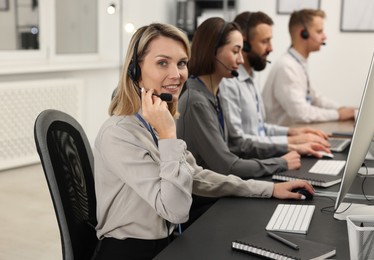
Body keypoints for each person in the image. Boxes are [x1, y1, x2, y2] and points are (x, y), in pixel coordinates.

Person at [93, 23, 315, 260]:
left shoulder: (152, 123)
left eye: (181, 63)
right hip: (130, 251)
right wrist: (169, 135)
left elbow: (195, 175)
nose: (176, 74)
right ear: (135, 71)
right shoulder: (119, 134)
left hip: (163, 244)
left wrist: (268, 189)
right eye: (162, 63)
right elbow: (175, 210)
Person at [219, 11, 330, 149]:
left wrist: (293, 133)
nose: (271, 48)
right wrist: (291, 144)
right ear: (244, 44)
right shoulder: (229, 83)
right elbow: (238, 142)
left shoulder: (250, 78)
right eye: (265, 41)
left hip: (259, 156)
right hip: (249, 163)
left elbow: (259, 129)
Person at [262, 9, 355, 126]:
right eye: (319, 31)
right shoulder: (286, 67)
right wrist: (338, 114)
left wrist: (343, 109)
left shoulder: (298, 63)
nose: (324, 37)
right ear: (303, 34)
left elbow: (315, 98)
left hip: (295, 133)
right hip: (280, 138)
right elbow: (301, 112)